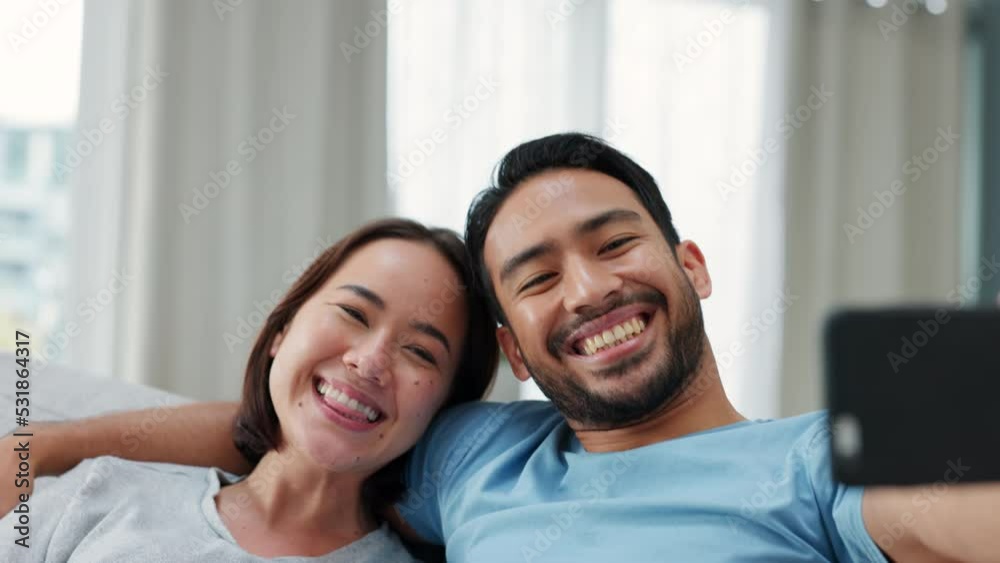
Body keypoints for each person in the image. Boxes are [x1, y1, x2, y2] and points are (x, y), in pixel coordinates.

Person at [4, 134, 998, 561]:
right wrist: (40, 447)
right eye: (534, 277)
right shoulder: (475, 451)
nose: (589, 286)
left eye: (615, 243)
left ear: (690, 264)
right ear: (516, 350)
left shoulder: (819, 458)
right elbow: (283, 426)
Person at [0, 218, 498, 562]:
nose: (369, 362)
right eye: (352, 314)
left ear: (444, 408)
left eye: (421, 352)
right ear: (282, 330)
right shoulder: (100, 493)